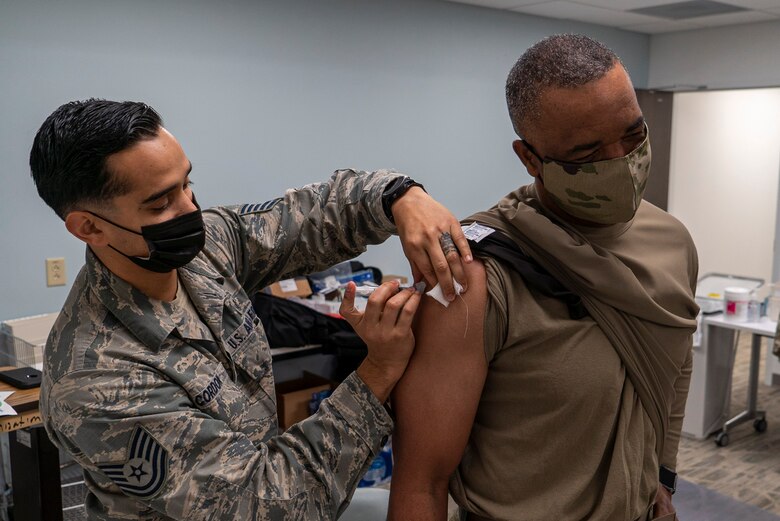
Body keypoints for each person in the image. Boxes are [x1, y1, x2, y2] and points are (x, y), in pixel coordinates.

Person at [31, 98, 473, 520]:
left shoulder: (206, 251)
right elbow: (268, 505)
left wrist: (401, 196)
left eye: (188, 184)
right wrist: (379, 370)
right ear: (89, 227)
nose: (191, 210)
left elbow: (313, 216)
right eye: (161, 203)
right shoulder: (98, 379)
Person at [388, 35, 699, 521]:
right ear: (530, 158)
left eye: (634, 135)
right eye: (587, 153)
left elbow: (672, 367)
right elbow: (421, 485)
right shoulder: (474, 279)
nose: (620, 161)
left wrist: (661, 476)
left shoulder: (673, 241)